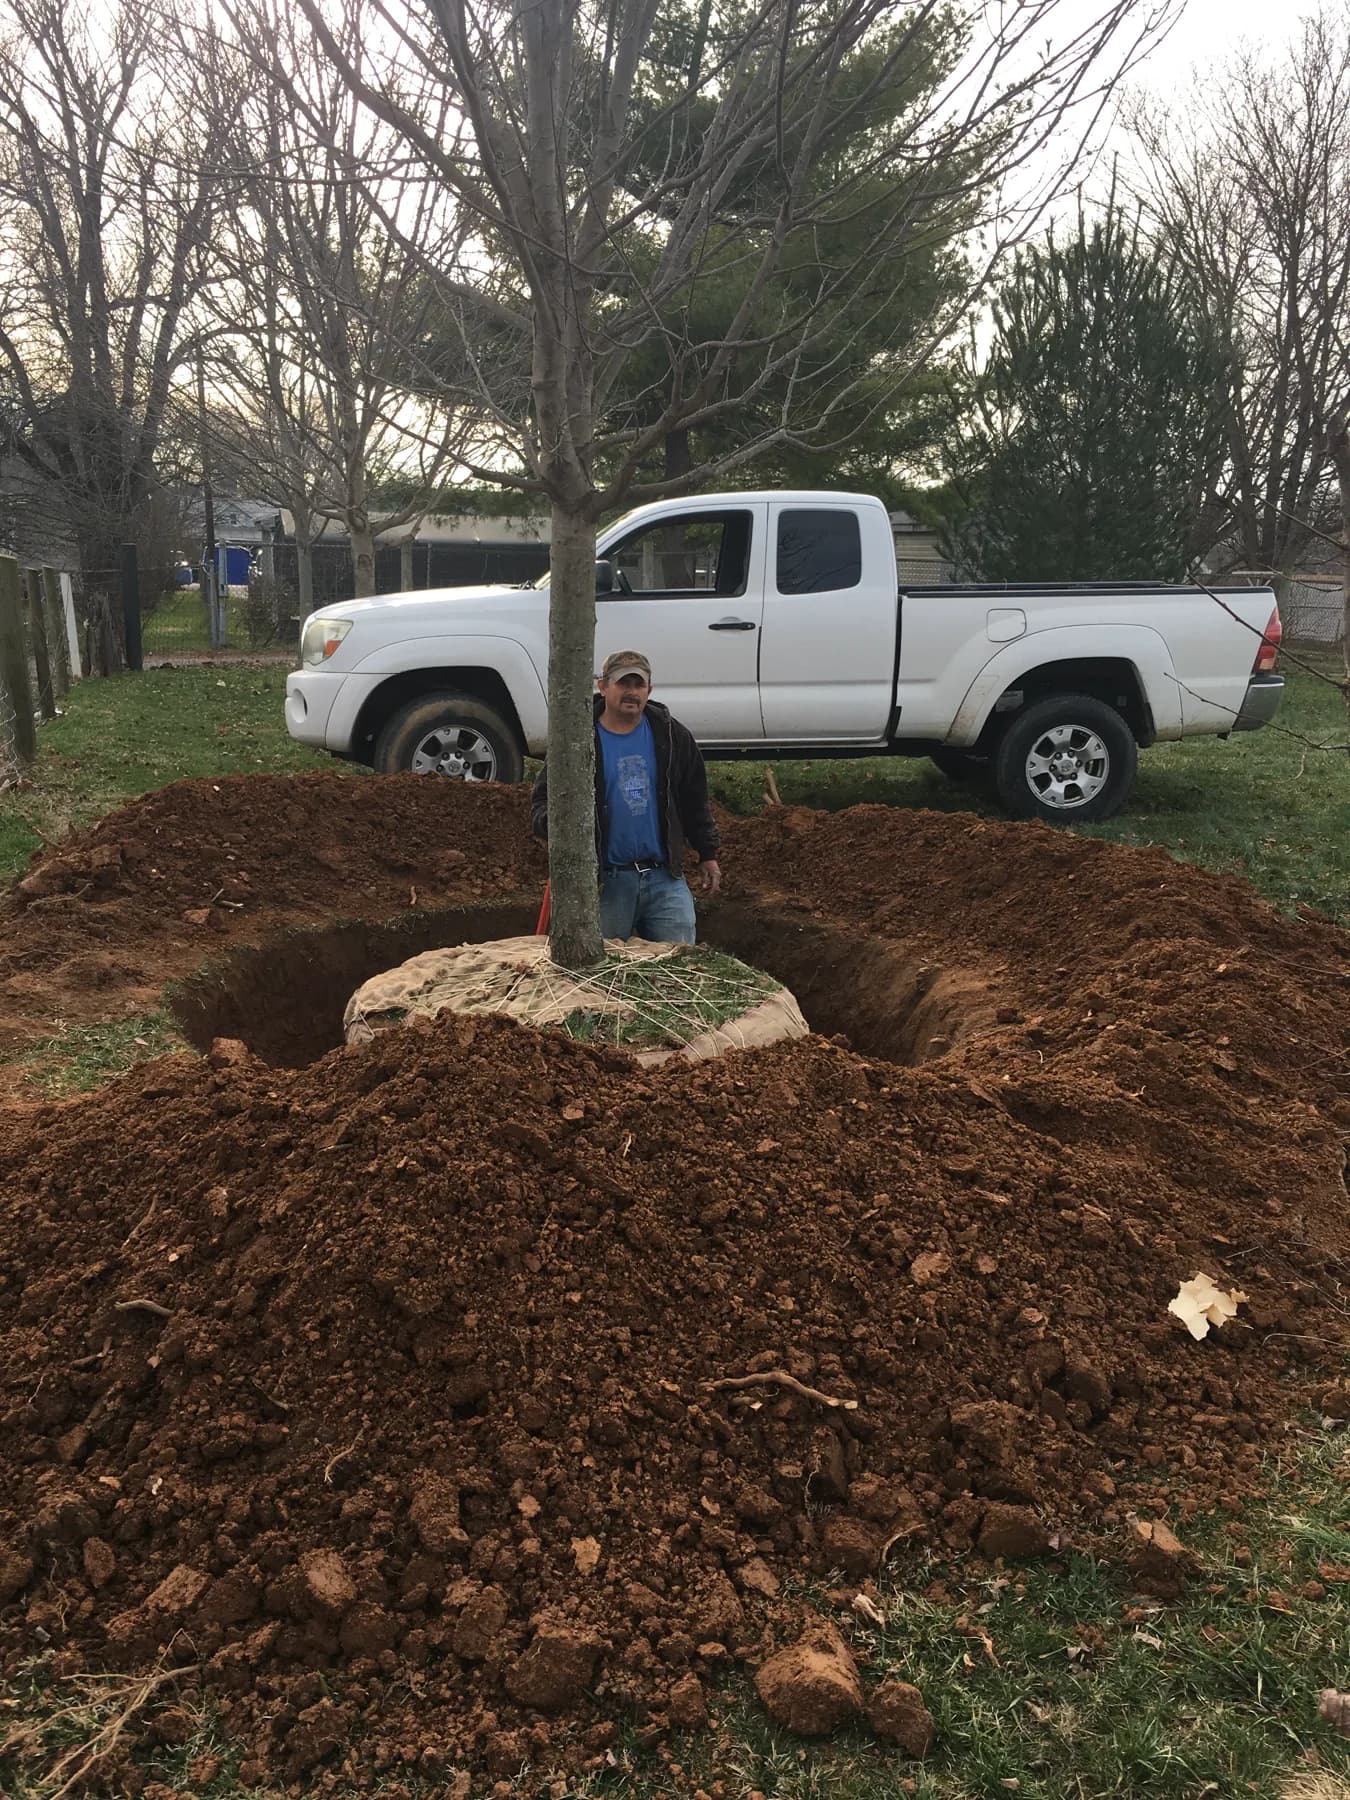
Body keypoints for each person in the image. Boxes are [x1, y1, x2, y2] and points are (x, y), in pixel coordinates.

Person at [530, 649, 722, 944]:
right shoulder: (578, 739)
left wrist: (707, 853)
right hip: (606, 882)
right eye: (623, 684)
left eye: (639, 685)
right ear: (603, 686)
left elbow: (693, 798)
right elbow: (542, 802)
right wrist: (557, 826)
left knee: (678, 966)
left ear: (649, 690)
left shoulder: (671, 736)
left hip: (663, 879)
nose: (632, 692)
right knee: (601, 976)